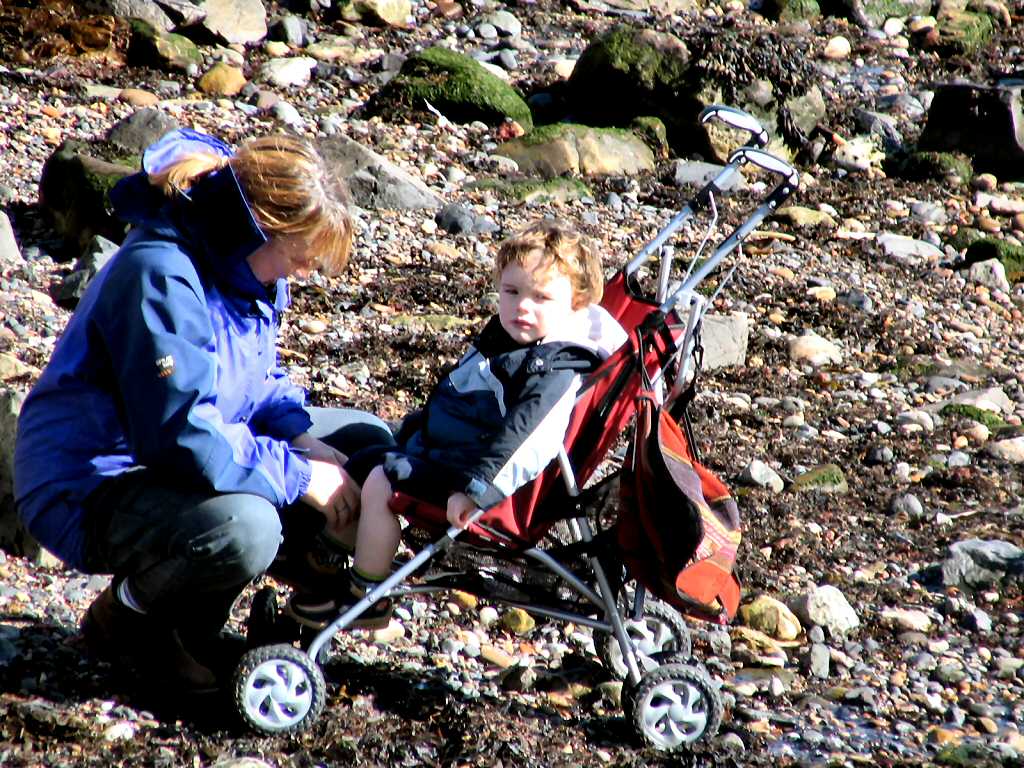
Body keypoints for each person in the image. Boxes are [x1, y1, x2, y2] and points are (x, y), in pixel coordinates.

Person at [13, 128, 394, 693]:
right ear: (254, 227)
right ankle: (133, 621)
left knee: (363, 443)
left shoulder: (245, 269)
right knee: (246, 526)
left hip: (182, 449)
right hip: (89, 482)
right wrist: (298, 474)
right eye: (298, 258)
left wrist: (299, 437)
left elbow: (255, 379)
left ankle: (266, 603)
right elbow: (181, 432)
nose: (302, 274)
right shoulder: (161, 275)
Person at [286, 219, 628, 630]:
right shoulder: (513, 340)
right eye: (512, 292)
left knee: (381, 480)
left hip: (479, 482)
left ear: (577, 304)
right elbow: (462, 399)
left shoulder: (553, 366)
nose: (522, 306)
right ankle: (327, 559)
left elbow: (529, 438)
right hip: (454, 454)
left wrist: (476, 491)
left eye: (541, 297)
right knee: (362, 460)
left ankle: (366, 595)